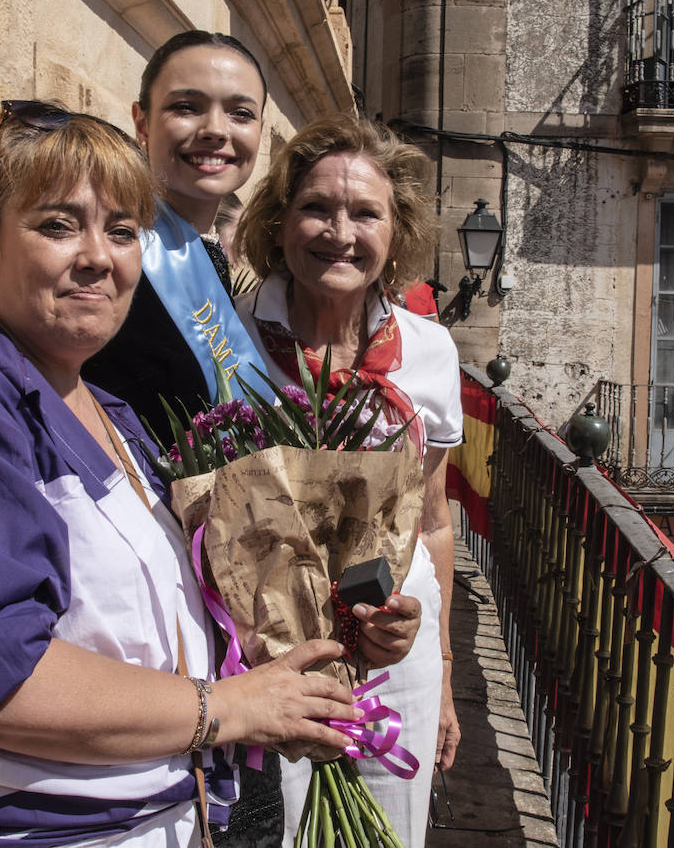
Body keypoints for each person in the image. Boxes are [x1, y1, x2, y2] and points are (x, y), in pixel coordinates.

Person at [0, 103, 416, 847]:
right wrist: (230, 707)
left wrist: (320, 648)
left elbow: (147, 620)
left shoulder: (107, 405)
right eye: (59, 225)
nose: (99, 255)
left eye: (123, 231)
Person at [0, 31, 272, 457]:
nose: (216, 129)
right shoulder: (111, 256)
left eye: (241, 113)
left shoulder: (206, 254)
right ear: (141, 121)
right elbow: (10, 338)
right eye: (186, 106)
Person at [233, 114, 463, 847]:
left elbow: (433, 520)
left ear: (394, 234)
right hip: (274, 644)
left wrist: (446, 669)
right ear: (279, 221)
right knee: (288, 829)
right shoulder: (229, 337)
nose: (341, 231)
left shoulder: (429, 352)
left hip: (400, 641)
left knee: (391, 831)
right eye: (317, 208)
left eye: (366, 213)